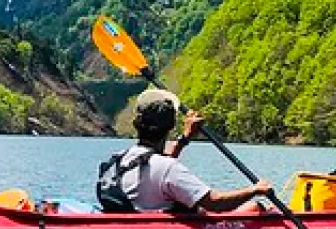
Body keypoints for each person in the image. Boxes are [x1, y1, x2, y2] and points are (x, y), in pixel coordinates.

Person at [96, 89, 271, 214]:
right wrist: (255, 189)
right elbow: (214, 203)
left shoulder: (121, 158)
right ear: (170, 127)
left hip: (135, 222)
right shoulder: (167, 168)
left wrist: (185, 137)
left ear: (136, 125)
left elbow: (158, 168)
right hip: (192, 225)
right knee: (257, 208)